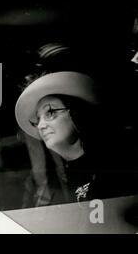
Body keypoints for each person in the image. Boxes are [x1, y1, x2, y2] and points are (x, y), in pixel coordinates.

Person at [15, 71, 108, 203]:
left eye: (50, 112)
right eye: (38, 119)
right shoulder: (57, 182)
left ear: (76, 113)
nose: (41, 125)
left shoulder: (113, 168)